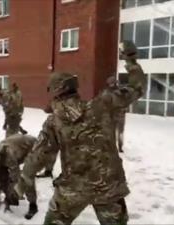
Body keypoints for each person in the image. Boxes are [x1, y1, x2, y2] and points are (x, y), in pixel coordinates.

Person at [15, 41, 144, 225]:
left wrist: (22, 184)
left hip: (72, 189)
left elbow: (38, 155)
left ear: (56, 92)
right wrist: (131, 62)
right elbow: (137, 88)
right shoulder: (103, 105)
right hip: (109, 187)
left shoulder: (53, 122)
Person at [0, 134, 38, 219]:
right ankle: (11, 199)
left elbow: (16, 177)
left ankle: (33, 205)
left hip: (34, 147)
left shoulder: (9, 155)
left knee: (26, 176)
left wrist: (10, 192)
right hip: (17, 147)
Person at [106, 76, 128, 153]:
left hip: (115, 115)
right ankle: (119, 147)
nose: (110, 85)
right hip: (120, 115)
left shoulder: (109, 93)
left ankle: (117, 147)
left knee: (114, 132)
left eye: (110, 84)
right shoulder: (122, 91)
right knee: (119, 132)